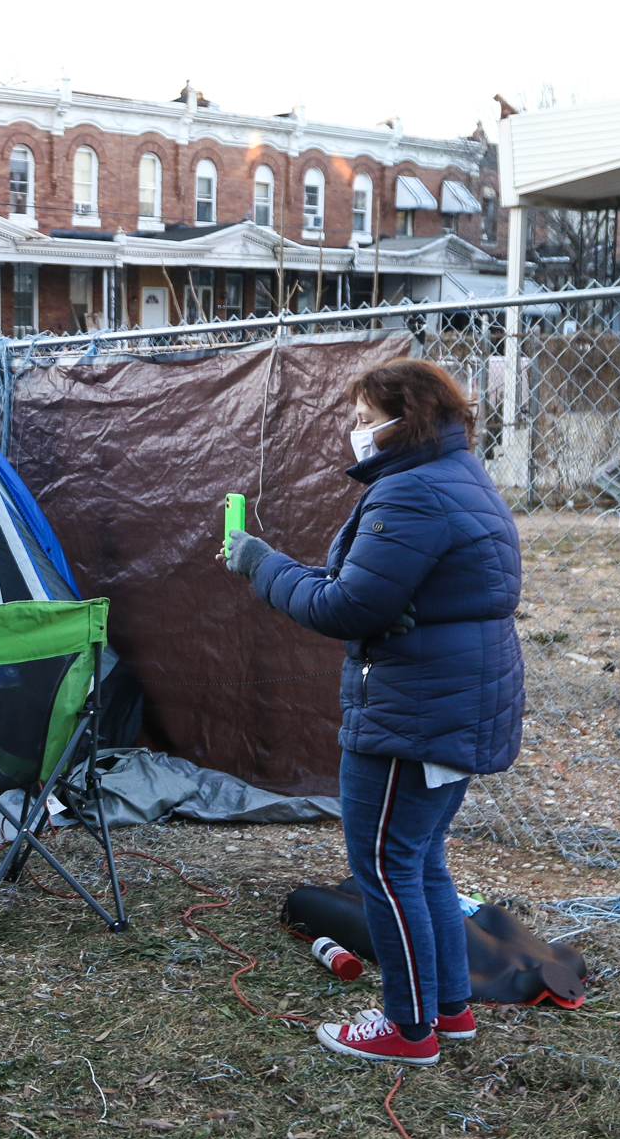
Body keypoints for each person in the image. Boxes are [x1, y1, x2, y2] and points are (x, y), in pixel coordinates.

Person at [220, 358, 524, 1067]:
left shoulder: (412, 493)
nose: (355, 434)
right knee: (421, 863)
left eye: (363, 421)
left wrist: (261, 565)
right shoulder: (460, 477)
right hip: (455, 700)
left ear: (404, 420)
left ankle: (407, 1027)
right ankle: (449, 1010)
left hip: (413, 710)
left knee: (385, 866)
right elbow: (384, 589)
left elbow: (348, 605)